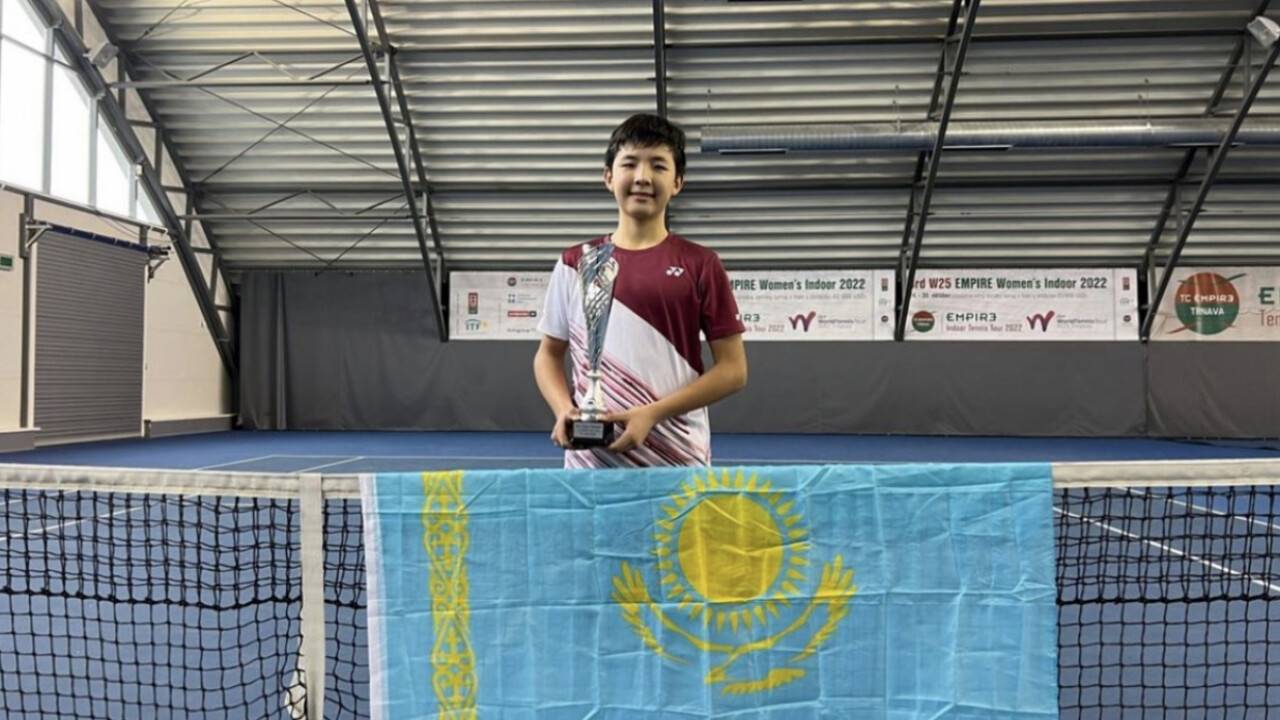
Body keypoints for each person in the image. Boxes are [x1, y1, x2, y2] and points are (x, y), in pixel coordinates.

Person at [533, 113, 748, 468]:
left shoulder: (701, 264)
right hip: (590, 464)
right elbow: (548, 355)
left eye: (658, 166)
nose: (642, 177)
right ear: (608, 176)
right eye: (630, 163)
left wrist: (652, 413)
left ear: (677, 182)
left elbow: (734, 370)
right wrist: (563, 409)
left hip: (678, 460)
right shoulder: (575, 263)